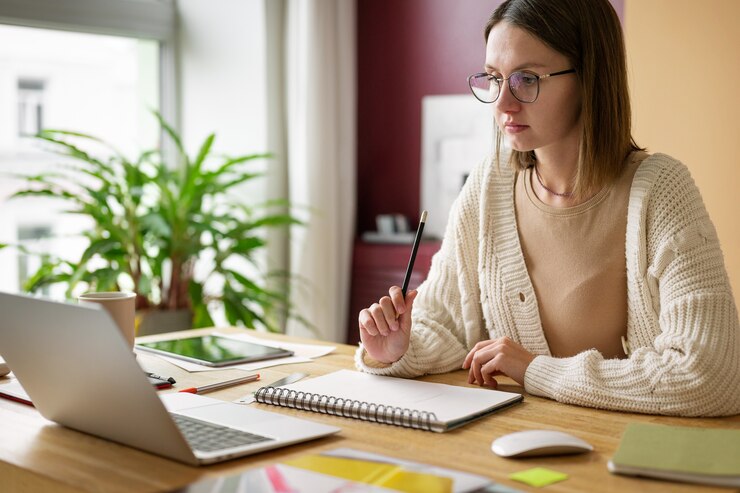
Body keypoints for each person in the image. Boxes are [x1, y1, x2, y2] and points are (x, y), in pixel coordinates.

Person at [355, 0, 740, 417]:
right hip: (517, 451)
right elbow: (442, 323)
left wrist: (538, 371)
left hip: (625, 458)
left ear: (589, 77)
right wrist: (398, 348)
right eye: (493, 78)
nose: (503, 103)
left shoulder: (662, 192)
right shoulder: (489, 185)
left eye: (526, 79)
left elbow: (710, 376)